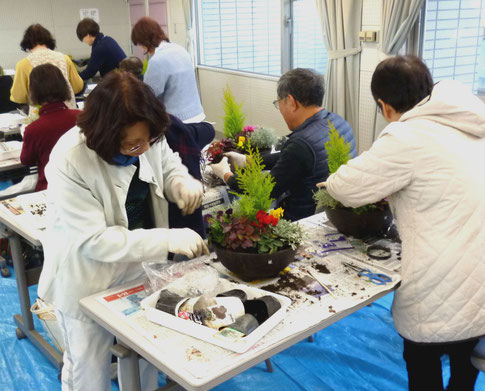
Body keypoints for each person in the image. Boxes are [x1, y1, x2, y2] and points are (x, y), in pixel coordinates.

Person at [37, 71, 209, 391]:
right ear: (105, 135)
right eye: (132, 144)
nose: (142, 148)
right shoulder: (69, 159)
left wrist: (180, 182)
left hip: (138, 268)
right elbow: (95, 241)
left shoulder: (146, 138)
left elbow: (166, 162)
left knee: (143, 354)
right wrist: (168, 239)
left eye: (147, 140)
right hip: (85, 276)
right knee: (87, 367)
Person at [322, 55, 485, 390]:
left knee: (423, 362)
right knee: (465, 362)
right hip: (480, 279)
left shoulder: (406, 136)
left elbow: (347, 187)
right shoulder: (472, 119)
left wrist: (330, 182)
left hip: (442, 283)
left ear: (384, 106)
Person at [210, 68, 356, 222]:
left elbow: (264, 189)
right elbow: (296, 158)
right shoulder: (339, 122)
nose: (279, 109)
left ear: (291, 102)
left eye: (278, 102)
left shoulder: (301, 144)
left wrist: (226, 175)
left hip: (300, 220)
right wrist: (248, 160)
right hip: (333, 214)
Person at [131, 16, 205, 123]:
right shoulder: (181, 50)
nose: (141, 48)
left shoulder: (157, 60)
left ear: (144, 41)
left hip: (178, 122)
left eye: (140, 44)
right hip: (197, 115)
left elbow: (148, 96)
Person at [20, 64, 80, 191]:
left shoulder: (33, 129)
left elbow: (26, 160)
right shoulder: (83, 118)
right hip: (84, 188)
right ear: (64, 86)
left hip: (50, 190)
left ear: (33, 90)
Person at [10, 24, 83, 113]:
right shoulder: (64, 59)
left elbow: (18, 96)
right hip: (68, 113)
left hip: (41, 115)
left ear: (27, 43)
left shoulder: (23, 64)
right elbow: (77, 87)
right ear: (48, 40)